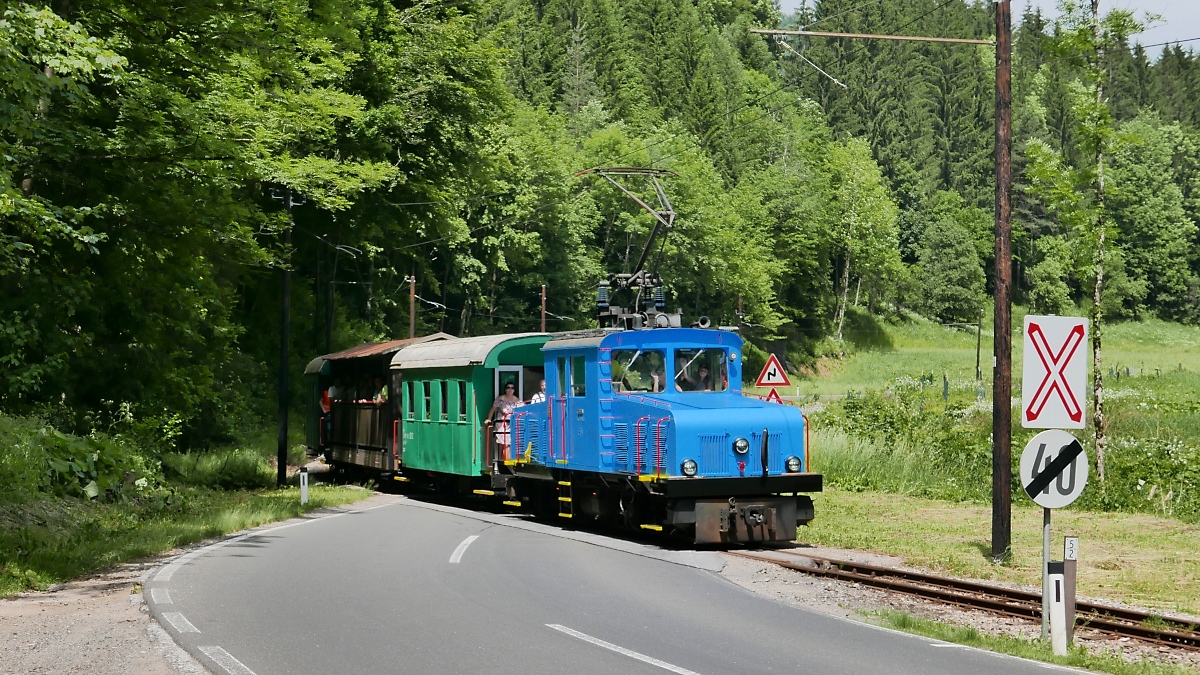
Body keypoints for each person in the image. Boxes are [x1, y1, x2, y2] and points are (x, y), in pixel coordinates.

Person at [485, 382, 521, 458]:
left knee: (511, 444)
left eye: (512, 388)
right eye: (508, 387)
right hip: (502, 423)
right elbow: (493, 409)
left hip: (513, 424)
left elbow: (522, 411)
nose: (510, 389)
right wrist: (489, 419)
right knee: (505, 444)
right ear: (505, 389)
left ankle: (508, 462)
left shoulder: (518, 400)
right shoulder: (500, 399)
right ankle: (505, 462)